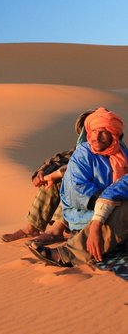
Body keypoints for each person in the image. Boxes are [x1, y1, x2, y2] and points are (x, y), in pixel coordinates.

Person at [28, 107, 128, 267]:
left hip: (109, 206)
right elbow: (78, 190)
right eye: (93, 130)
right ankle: (67, 254)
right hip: (85, 215)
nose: (96, 136)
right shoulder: (82, 153)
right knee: (122, 207)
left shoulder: (122, 155)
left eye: (103, 131)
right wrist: (106, 204)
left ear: (114, 135)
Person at [1, 111, 93, 243]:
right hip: (81, 208)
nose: (91, 134)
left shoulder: (113, 152)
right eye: (88, 129)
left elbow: (80, 168)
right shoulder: (82, 149)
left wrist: (55, 174)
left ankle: (57, 230)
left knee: (72, 183)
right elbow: (61, 158)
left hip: (97, 206)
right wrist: (43, 172)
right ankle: (32, 227)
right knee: (51, 182)